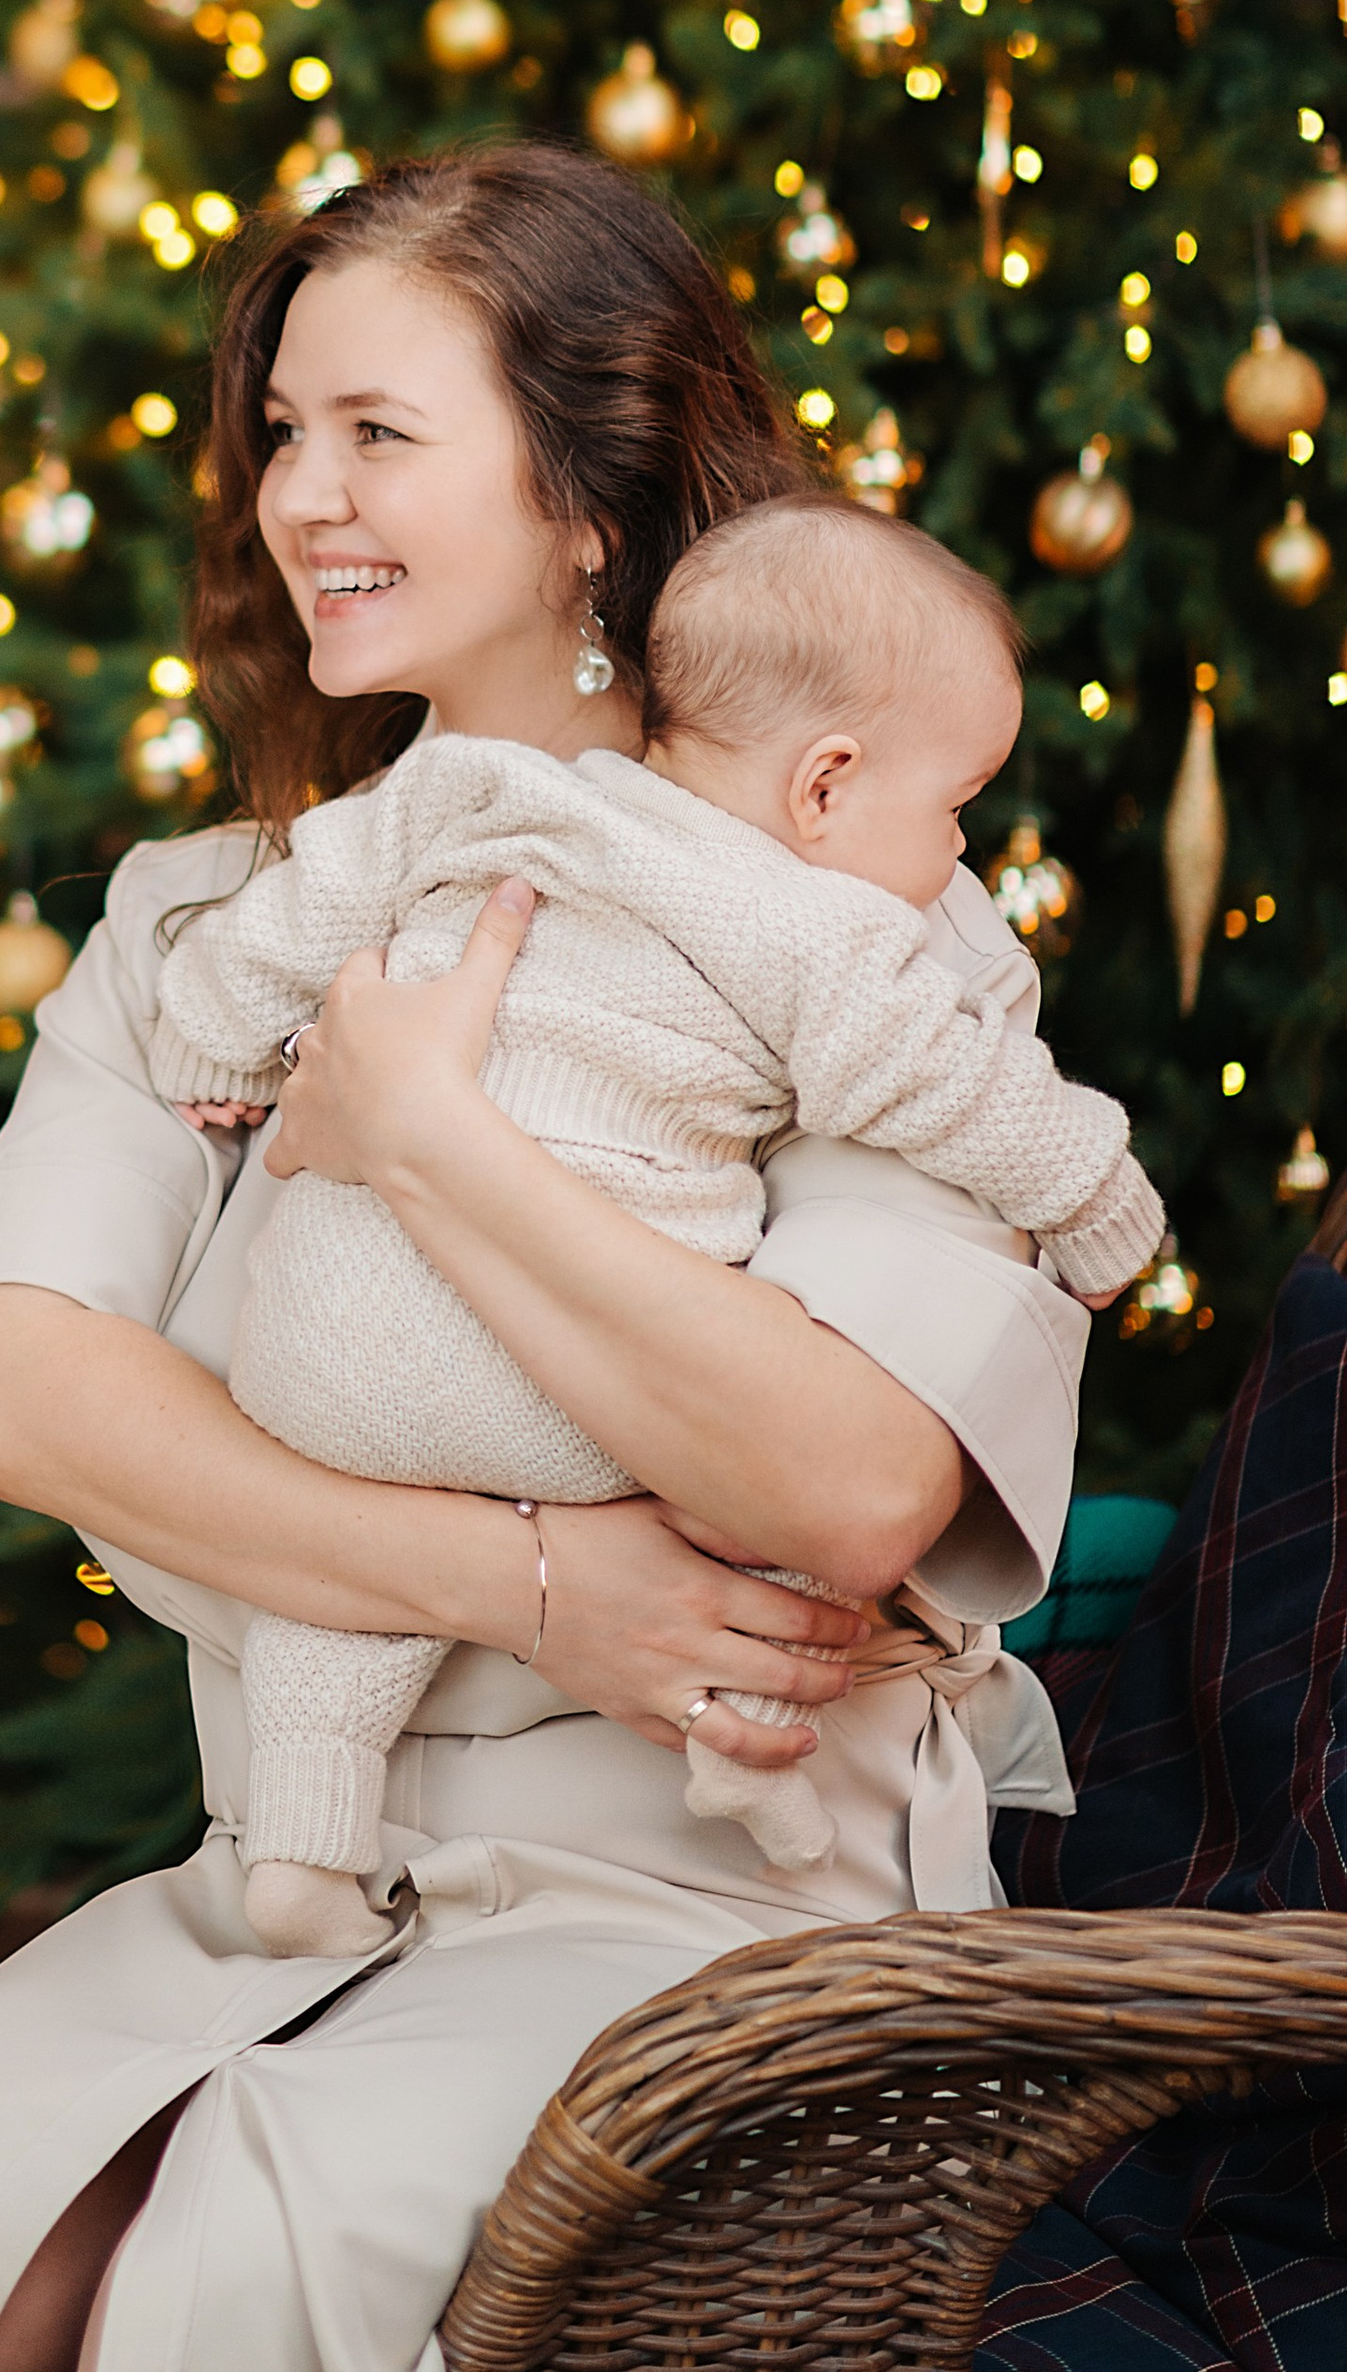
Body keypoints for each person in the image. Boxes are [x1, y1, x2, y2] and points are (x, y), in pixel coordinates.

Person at [0, 146, 1089, 2372]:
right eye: (281, 428)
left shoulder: (855, 917)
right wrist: (537, 1578)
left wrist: (425, 1134)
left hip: (706, 1907)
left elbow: (852, 1483)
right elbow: (3, 1379)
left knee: (209, 2294)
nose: (301, 490)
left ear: (588, 497)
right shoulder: (211, 915)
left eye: (378, 430)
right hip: (277, 1863)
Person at [147, 498, 1155, 1950]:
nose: (955, 848)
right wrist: (1098, 1197)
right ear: (826, 784)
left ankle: (302, 1846)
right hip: (551, 1399)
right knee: (760, 1461)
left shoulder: (484, 791)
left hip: (312, 1337)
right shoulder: (821, 928)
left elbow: (300, 913)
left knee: (358, 1553)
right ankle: (742, 1735)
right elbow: (950, 1087)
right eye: (955, 805)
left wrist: (208, 1041)